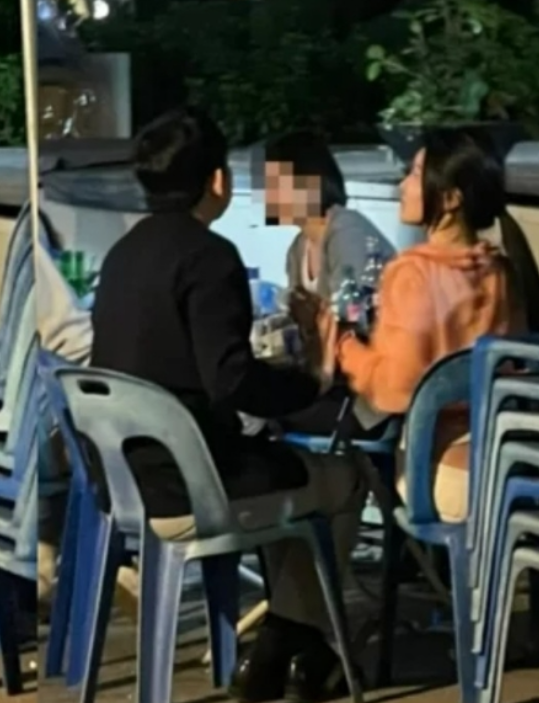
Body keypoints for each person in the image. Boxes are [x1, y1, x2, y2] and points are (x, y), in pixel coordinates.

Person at [89, 107, 367, 703]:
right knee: (344, 479)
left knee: (285, 481)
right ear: (217, 180)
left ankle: (288, 650)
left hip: (125, 486)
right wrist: (314, 380)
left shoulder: (121, 256)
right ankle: (284, 645)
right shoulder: (209, 257)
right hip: (194, 486)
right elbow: (231, 381)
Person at [325, 128, 524, 522]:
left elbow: (393, 392)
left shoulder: (413, 274)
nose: (402, 186)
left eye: (415, 175)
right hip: (505, 461)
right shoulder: (500, 271)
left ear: (450, 198)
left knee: (342, 469)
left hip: (439, 473)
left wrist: (343, 345)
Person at [264, 130, 398, 439]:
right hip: (333, 385)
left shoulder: (347, 231)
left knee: (266, 417)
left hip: (369, 397)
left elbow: (354, 319)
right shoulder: (297, 250)